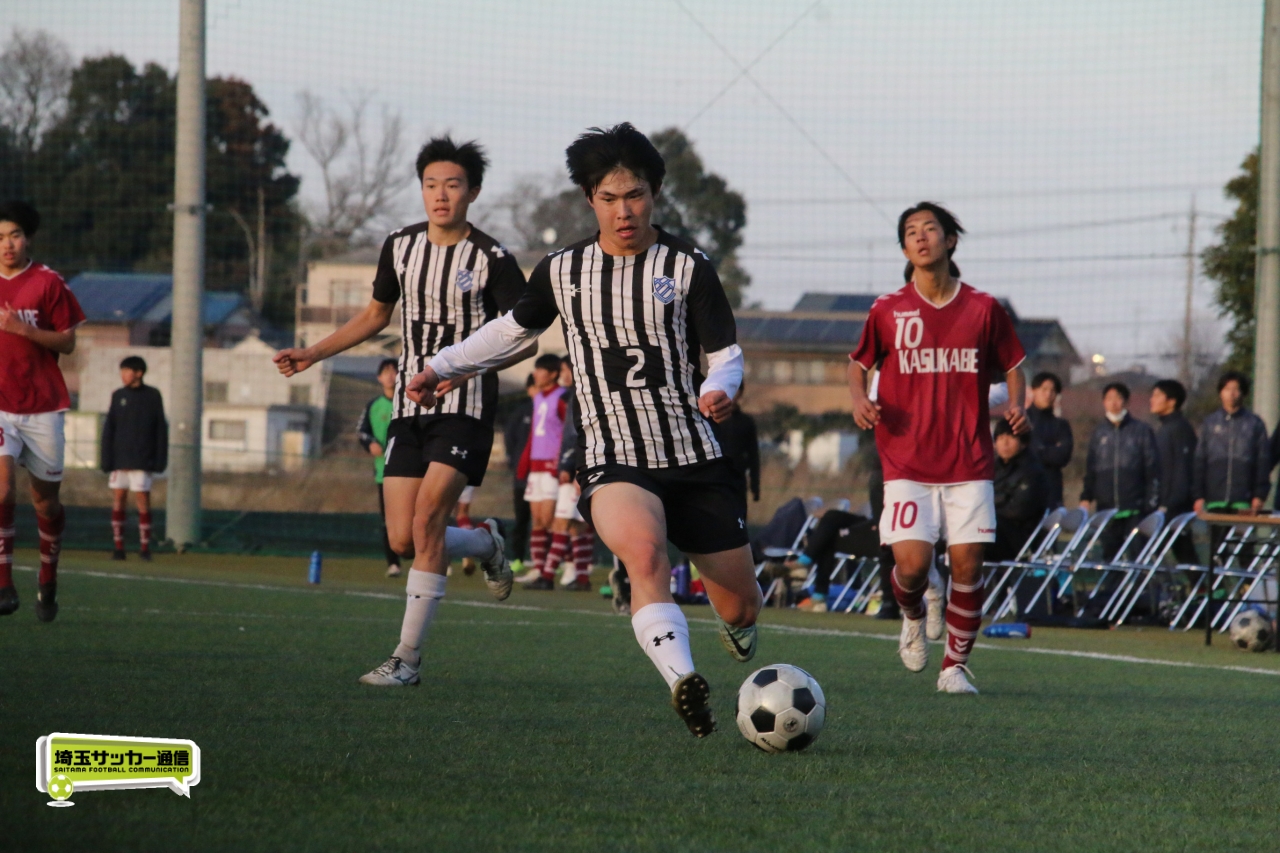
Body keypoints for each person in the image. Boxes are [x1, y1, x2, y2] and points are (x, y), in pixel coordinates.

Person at [405, 123, 761, 737]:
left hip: (694, 455)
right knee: (644, 555)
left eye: (636, 195)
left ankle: (735, 624)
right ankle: (683, 681)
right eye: (609, 198)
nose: (624, 211)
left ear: (655, 194)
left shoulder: (687, 266)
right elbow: (510, 331)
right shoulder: (564, 269)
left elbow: (725, 355)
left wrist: (720, 389)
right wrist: (442, 366)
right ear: (589, 199)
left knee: (742, 606)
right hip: (612, 455)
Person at [272, 136, 521, 686]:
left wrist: (463, 371)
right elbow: (374, 315)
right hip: (409, 408)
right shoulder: (400, 246)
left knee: (429, 519)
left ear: (473, 191)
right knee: (405, 539)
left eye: (452, 184)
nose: (440, 194)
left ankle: (406, 659)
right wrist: (312, 354)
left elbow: (521, 338)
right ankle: (485, 542)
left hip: (464, 407)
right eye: (431, 184)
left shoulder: (492, 259)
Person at [849, 201, 1028, 695]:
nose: (921, 236)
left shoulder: (983, 308)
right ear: (905, 249)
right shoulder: (887, 309)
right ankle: (915, 609)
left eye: (930, 228)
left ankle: (955, 667)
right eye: (911, 231)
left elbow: (1015, 364)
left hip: (969, 461)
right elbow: (858, 364)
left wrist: (1017, 404)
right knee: (910, 568)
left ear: (951, 241)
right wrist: (859, 400)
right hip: (905, 461)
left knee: (968, 564)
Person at [0, 200, 85, 621]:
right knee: (1, 492)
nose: (7, 244)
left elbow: (68, 342)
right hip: (1, 404)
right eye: (0, 237)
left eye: (14, 235)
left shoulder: (48, 282)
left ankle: (48, 576)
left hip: (43, 406)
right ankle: (3, 584)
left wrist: (21, 328)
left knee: (45, 503)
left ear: (27, 237)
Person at [1193, 371, 1270, 562]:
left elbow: (1262, 461)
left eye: (1236, 389)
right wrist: (1198, 495)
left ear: (1243, 393)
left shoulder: (1254, 424)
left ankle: (1246, 580)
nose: (1232, 394)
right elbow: (1200, 460)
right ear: (1221, 392)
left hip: (1244, 498)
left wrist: (1259, 494)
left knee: (1245, 550)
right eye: (1227, 389)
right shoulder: (1210, 424)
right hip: (1215, 498)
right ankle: (1219, 581)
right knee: (1217, 552)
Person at [1079, 382, 1160, 560]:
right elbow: (1091, 469)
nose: (1114, 403)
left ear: (1126, 402)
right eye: (1109, 399)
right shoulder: (1099, 433)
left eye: (1118, 398)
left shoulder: (1141, 431)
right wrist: (1086, 497)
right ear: (1104, 402)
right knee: (1110, 556)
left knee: (1138, 555)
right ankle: (1113, 580)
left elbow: (1152, 468)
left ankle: (1139, 579)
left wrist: (1150, 503)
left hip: (1135, 506)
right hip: (1106, 506)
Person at [101, 355, 168, 561]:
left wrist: (159, 460)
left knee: (142, 500)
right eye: (122, 371)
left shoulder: (153, 395)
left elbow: (160, 428)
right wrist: (107, 458)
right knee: (119, 498)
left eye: (127, 371)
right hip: (120, 459)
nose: (123, 375)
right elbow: (109, 428)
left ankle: (145, 548)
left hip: (142, 459)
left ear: (139, 373)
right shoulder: (118, 395)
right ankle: (118, 547)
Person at [515, 354, 571, 589]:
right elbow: (533, 435)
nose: (535, 374)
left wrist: (562, 463)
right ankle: (540, 570)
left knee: (550, 521)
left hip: (551, 466)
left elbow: (567, 431)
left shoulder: (562, 397)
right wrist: (524, 464)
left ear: (553, 374)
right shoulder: (538, 397)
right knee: (537, 521)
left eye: (540, 370)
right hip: (536, 466)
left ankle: (559, 567)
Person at [554, 357, 595, 590]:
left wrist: (573, 466)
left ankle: (548, 575)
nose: (562, 374)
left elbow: (580, 435)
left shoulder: (582, 395)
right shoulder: (571, 395)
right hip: (573, 463)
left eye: (564, 369)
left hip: (579, 465)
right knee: (574, 523)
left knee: (566, 521)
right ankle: (580, 577)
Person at [357, 358, 401, 577]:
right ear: (379, 378)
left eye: (394, 371)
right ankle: (393, 563)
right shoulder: (373, 405)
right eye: (386, 372)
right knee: (388, 521)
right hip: (384, 472)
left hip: (411, 471)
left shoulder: (409, 402)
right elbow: (362, 431)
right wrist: (370, 443)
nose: (391, 376)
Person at [1150, 378, 1199, 565]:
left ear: (1171, 401)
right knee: (1181, 551)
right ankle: (1201, 584)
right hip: (1167, 504)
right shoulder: (1165, 428)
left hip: (1174, 506)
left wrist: (1169, 503)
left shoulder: (1179, 429)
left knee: (1170, 551)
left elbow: (1181, 469)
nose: (1152, 400)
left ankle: (1206, 584)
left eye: (1157, 396)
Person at [991, 418, 1049, 561]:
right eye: (1000, 438)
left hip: (1019, 539)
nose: (1005, 443)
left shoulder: (1032, 471)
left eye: (1011, 437)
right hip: (997, 531)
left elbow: (1019, 510)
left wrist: (989, 506)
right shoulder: (992, 469)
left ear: (1023, 442)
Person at [503, 376, 536, 576]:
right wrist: (514, 461)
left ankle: (547, 560)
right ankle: (517, 558)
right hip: (522, 474)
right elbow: (510, 437)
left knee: (545, 520)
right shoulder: (522, 412)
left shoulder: (553, 406)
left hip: (543, 472)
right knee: (521, 518)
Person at [1026, 371, 1073, 508]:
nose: (1048, 394)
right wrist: (1050, 449)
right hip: (1025, 493)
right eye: (1044, 389)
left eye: (1052, 391)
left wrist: (1037, 449)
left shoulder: (1061, 425)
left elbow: (1063, 456)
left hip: (1052, 493)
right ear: (1034, 390)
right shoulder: (1022, 421)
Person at [710, 391, 760, 505]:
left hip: (738, 480)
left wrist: (755, 486)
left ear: (740, 394)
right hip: (714, 480)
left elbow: (753, 455)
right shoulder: (711, 420)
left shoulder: (746, 422)